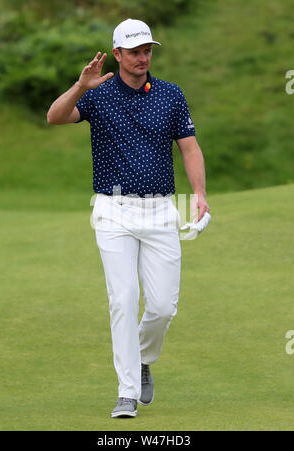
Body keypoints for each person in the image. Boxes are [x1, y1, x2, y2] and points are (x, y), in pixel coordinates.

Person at [47, 18, 210, 418]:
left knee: (162, 307)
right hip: (112, 211)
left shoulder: (171, 95)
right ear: (117, 54)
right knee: (123, 299)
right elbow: (55, 117)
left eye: (147, 50)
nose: (143, 58)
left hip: (160, 211)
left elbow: (189, 148)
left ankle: (142, 358)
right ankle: (127, 391)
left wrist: (201, 194)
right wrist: (80, 86)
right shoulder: (97, 95)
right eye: (134, 51)